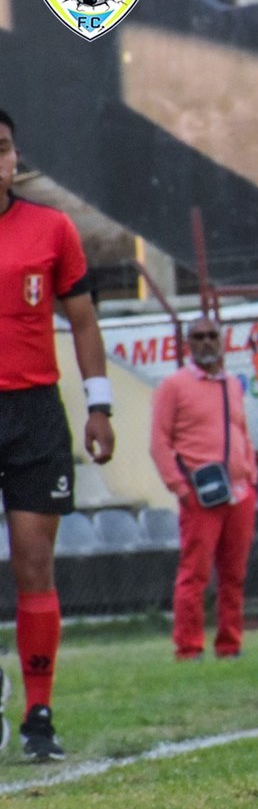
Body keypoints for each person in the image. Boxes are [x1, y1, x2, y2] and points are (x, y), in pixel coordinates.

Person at [0, 108, 116, 762]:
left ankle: (38, 714)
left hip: (35, 414)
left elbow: (85, 323)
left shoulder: (53, 229)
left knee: (33, 564)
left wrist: (100, 407)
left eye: (5, 148)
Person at [150, 317, 257, 662]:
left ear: (222, 341)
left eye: (212, 336)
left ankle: (230, 644)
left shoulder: (232, 385)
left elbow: (242, 432)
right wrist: (179, 487)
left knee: (234, 574)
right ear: (187, 345)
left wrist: (250, 474)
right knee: (194, 575)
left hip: (240, 493)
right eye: (199, 337)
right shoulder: (174, 386)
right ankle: (189, 646)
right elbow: (159, 442)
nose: (207, 343)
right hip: (200, 493)